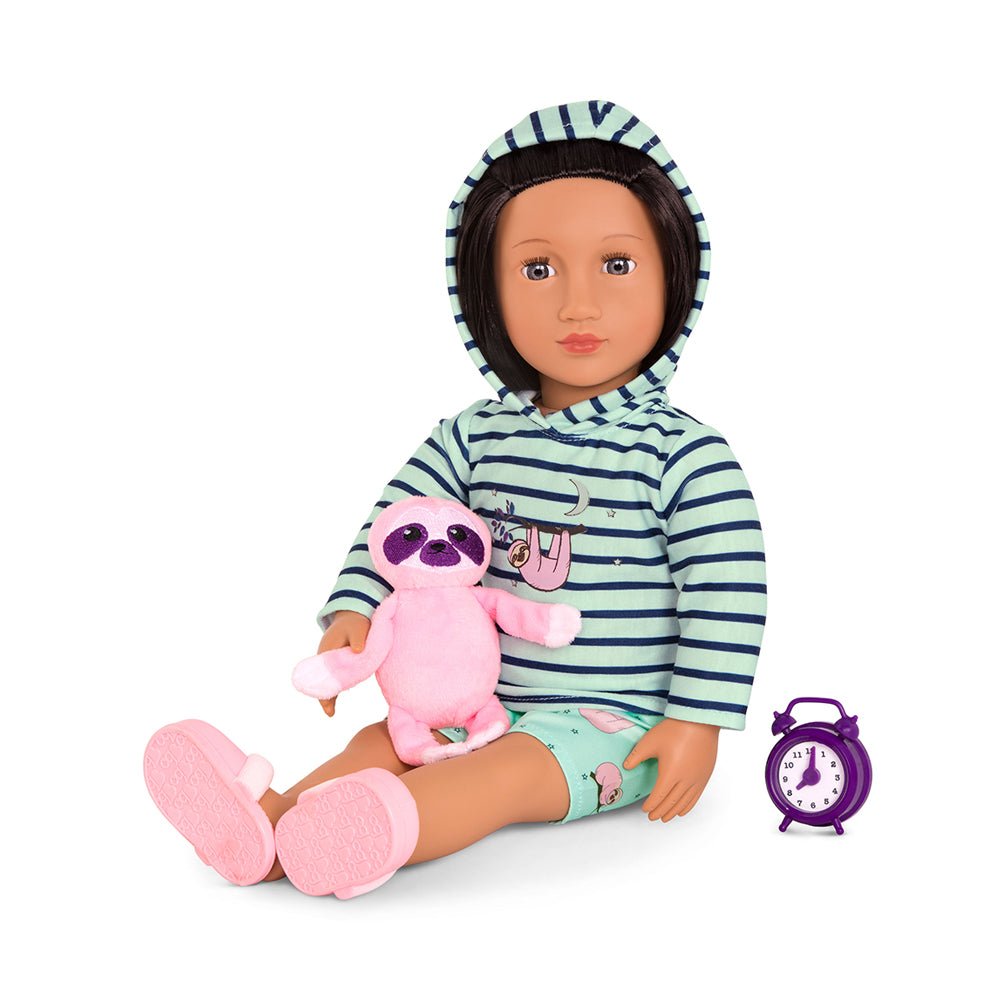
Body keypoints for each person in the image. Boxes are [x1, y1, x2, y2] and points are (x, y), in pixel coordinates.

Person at [144, 99, 767, 899]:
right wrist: (355, 609)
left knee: (504, 777)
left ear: (676, 273)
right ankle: (269, 827)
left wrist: (696, 721)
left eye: (617, 265)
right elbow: (393, 524)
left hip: (615, 723)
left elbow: (727, 594)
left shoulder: (685, 456)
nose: (577, 304)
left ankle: (370, 836)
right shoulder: (474, 435)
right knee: (380, 744)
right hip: (471, 698)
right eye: (538, 270)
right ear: (485, 290)